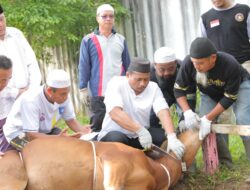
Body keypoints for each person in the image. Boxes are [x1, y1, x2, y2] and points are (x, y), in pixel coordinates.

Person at [174, 37, 250, 167]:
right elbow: (179, 90)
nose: (196, 67)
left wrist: (208, 117)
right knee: (204, 126)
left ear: (213, 58)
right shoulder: (188, 63)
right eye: (194, 62)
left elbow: (229, 97)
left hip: (240, 87)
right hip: (210, 92)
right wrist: (187, 112)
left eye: (200, 63)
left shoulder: (229, 63)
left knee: (243, 118)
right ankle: (221, 163)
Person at [97, 57, 185, 160]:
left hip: (141, 137)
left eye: (146, 79)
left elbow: (162, 110)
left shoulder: (153, 87)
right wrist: (140, 130)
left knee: (163, 137)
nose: (143, 83)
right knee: (117, 139)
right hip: (115, 134)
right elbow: (115, 113)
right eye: (138, 79)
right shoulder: (116, 83)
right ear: (128, 75)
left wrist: (171, 136)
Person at [199, 0, 250, 167]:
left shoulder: (244, 11)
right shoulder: (205, 18)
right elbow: (202, 46)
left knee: (244, 115)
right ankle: (222, 162)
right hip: (217, 72)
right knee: (219, 116)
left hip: (243, 68)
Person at [3, 69, 91, 151]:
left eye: (67, 93)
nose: (66, 97)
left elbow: (71, 120)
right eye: (63, 94)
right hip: (19, 133)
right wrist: (57, 139)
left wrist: (85, 133)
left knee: (68, 146)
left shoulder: (64, 97)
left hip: (43, 130)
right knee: (44, 153)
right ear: (49, 91)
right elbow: (31, 135)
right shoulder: (31, 100)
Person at [78, 3, 130, 132]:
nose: (108, 19)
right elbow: (84, 65)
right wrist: (83, 88)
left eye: (111, 16)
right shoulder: (88, 40)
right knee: (97, 126)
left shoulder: (121, 39)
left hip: (119, 91)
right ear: (97, 18)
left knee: (120, 125)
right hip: (98, 92)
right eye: (104, 16)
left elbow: (127, 64)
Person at [150, 47, 196, 128]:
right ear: (155, 65)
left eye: (171, 68)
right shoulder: (148, 75)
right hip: (162, 97)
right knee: (151, 118)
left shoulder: (185, 70)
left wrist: (185, 117)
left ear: (175, 63)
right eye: (162, 70)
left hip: (182, 96)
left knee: (188, 123)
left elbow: (190, 97)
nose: (166, 73)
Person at [0, 4, 41, 90]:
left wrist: (32, 89)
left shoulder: (16, 34)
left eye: (1, 19)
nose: (0, 24)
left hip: (28, 93)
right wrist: (16, 93)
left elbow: (32, 62)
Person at [199, 0, 250, 69]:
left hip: (244, 64)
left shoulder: (245, 10)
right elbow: (202, 46)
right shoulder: (204, 18)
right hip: (220, 68)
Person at [0, 55, 26, 154]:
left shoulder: (8, 91)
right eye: (1, 80)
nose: (4, 84)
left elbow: (25, 93)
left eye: (7, 79)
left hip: (14, 134)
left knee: (34, 147)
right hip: (4, 143)